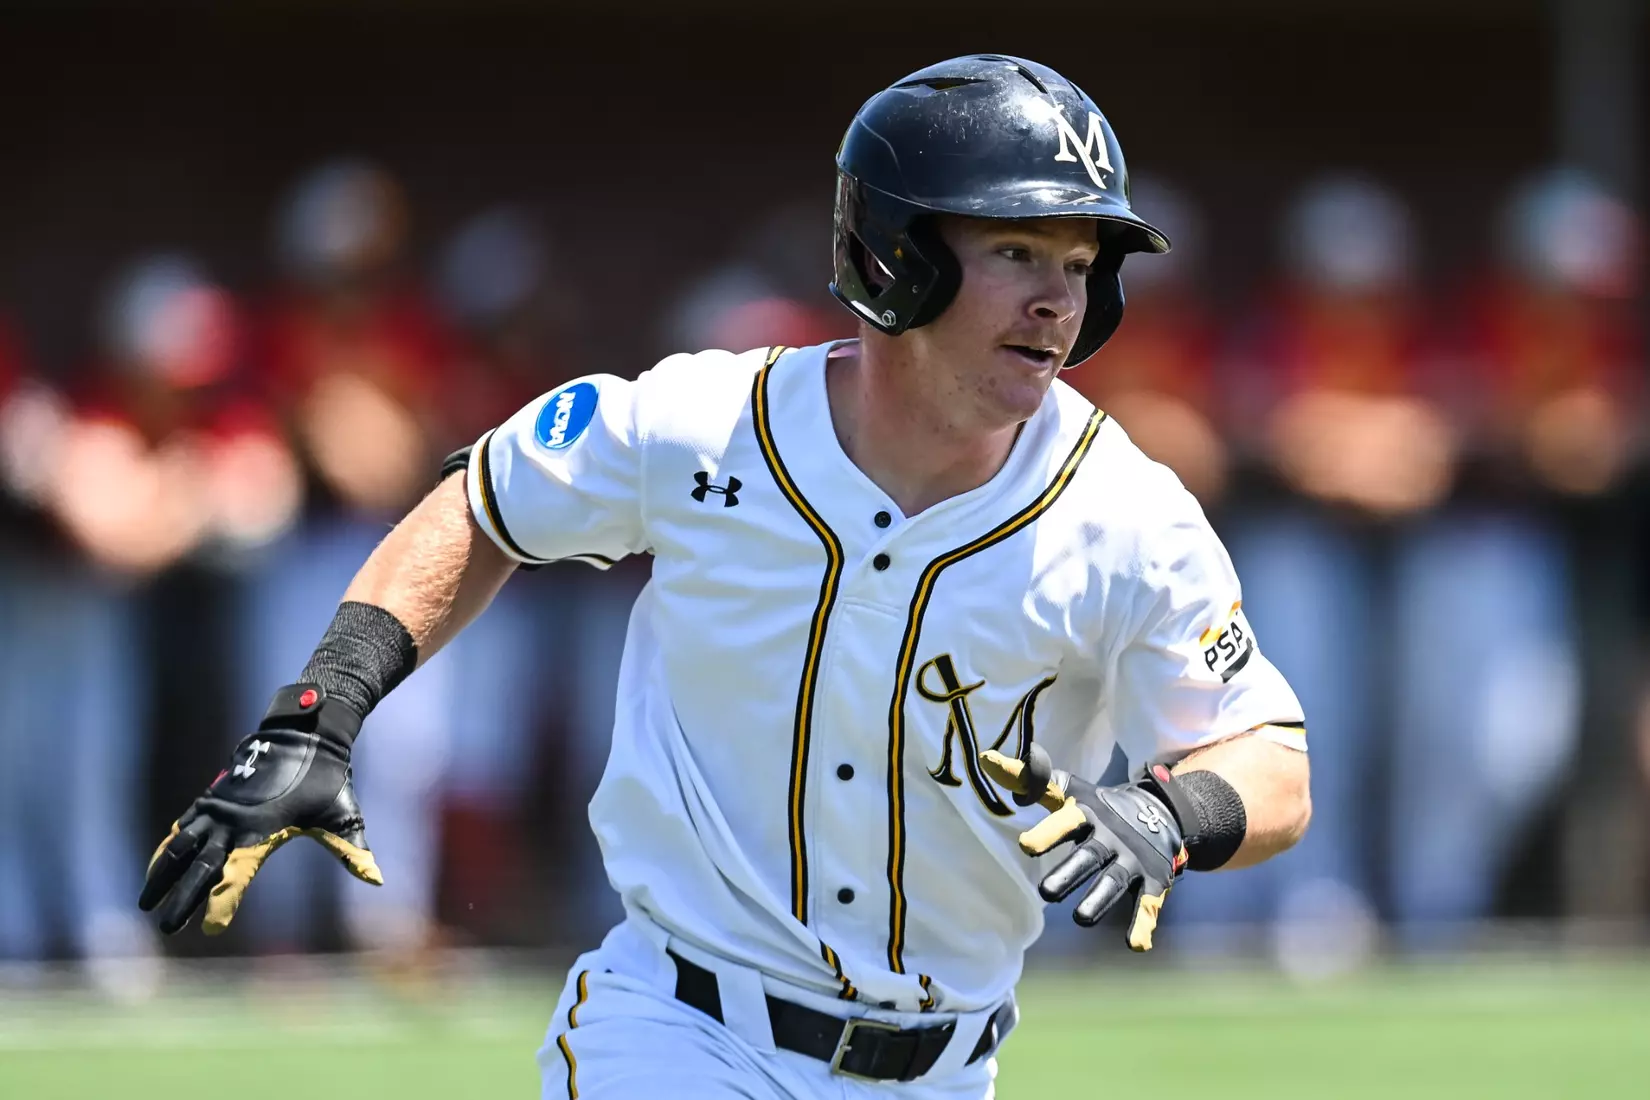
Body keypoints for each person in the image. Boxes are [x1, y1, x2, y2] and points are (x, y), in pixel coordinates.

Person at [139, 56, 1311, 1098]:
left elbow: (1271, 754)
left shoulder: (1127, 511)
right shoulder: (704, 423)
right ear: (896, 254)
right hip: (677, 1034)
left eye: (1079, 259)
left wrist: (1176, 810)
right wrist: (322, 709)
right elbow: (486, 503)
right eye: (1015, 250)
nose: (1060, 296)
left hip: (952, 1067)